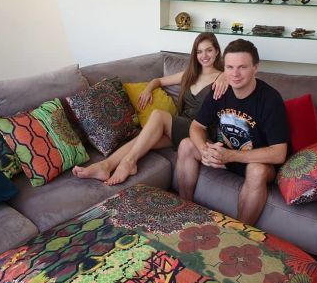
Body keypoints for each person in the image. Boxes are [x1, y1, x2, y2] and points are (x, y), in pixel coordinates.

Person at [72, 32, 226, 185]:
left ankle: (129, 162)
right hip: (182, 126)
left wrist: (226, 75)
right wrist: (147, 90)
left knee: (158, 115)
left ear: (217, 51)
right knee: (143, 140)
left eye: (209, 50)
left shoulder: (223, 78)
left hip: (201, 131)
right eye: (199, 51)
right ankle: (105, 166)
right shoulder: (190, 75)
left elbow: (237, 81)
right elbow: (158, 81)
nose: (204, 55)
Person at [176, 39, 289, 225]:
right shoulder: (219, 90)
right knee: (186, 145)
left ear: (255, 68)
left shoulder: (270, 99)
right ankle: (185, 212)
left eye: (242, 67)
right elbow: (196, 126)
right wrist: (205, 150)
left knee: (256, 170)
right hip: (225, 156)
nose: (235, 74)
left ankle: (240, 233)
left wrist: (231, 156)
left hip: (255, 160)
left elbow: (279, 153)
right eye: (229, 67)